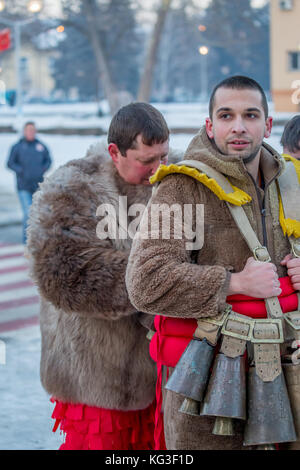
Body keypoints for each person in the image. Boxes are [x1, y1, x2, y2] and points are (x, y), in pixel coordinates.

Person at [126, 76, 300, 450]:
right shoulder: (180, 186)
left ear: (268, 125)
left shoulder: (292, 181)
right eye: (226, 115)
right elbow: (145, 281)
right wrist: (234, 284)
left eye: (250, 115)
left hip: (289, 379)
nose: (238, 126)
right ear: (210, 125)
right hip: (207, 392)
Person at [26, 102, 176, 450]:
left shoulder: (178, 176)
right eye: (146, 161)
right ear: (115, 152)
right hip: (95, 374)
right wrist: (165, 278)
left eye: (163, 157)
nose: (157, 169)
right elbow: (66, 275)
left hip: (161, 373)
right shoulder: (71, 185)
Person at [7, 121, 52, 244]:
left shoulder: (41, 146)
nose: (31, 132)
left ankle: (37, 240)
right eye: (29, 130)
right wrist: (21, 170)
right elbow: (10, 163)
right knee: (28, 213)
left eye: (33, 130)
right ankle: (26, 241)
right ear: (24, 131)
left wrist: (43, 169)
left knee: (39, 213)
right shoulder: (17, 147)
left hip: (38, 186)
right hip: (23, 186)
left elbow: (48, 160)